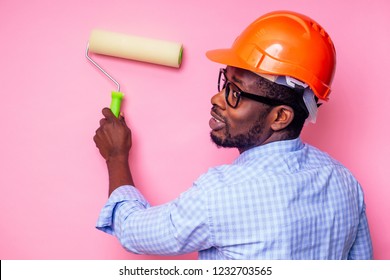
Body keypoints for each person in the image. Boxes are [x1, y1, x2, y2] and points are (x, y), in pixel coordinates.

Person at [93, 10, 373, 259]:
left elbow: (132, 230)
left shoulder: (221, 194)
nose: (217, 98)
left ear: (279, 117)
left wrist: (116, 156)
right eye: (224, 82)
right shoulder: (345, 182)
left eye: (235, 93)